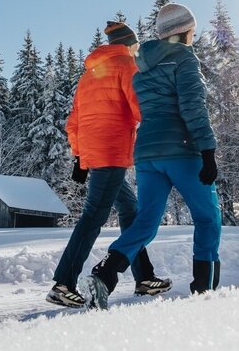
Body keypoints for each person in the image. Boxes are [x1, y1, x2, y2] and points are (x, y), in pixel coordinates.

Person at [83, 3, 221, 309]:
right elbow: (192, 106)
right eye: (192, 31)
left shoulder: (142, 67)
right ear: (184, 32)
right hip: (182, 149)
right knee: (208, 216)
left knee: (145, 222)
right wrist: (207, 150)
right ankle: (204, 290)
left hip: (147, 154)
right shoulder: (185, 60)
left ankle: (104, 275)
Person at [46, 21, 172, 308]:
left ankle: (144, 277)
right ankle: (63, 283)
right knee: (92, 217)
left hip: (95, 154)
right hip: (112, 151)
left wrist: (80, 157)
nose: (138, 51)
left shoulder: (88, 75)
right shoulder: (126, 66)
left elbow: (73, 122)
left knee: (130, 211)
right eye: (136, 46)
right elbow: (140, 107)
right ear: (128, 45)